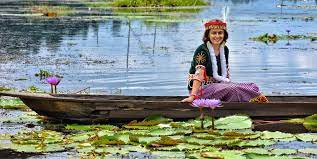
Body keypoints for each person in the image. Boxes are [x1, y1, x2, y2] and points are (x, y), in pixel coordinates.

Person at [181, 19, 268, 103]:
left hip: (219, 87)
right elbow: (199, 73)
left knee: (251, 86)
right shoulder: (202, 50)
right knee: (233, 89)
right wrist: (192, 96)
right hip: (200, 90)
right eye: (214, 33)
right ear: (208, 35)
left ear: (224, 35)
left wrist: (228, 83)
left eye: (220, 33)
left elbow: (225, 72)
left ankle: (235, 103)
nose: (217, 36)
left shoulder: (224, 49)